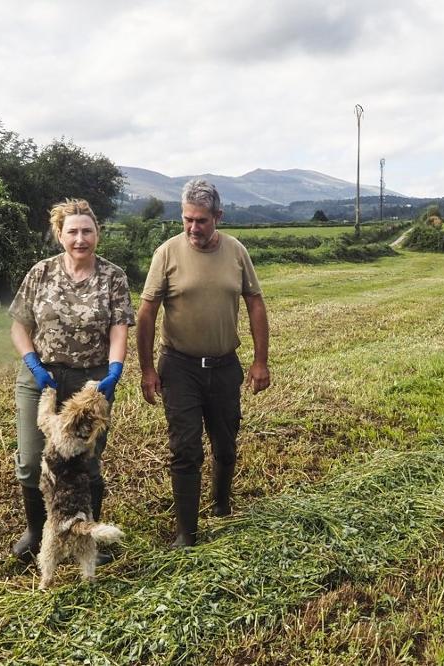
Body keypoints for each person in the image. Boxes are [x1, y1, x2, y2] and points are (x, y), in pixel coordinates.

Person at [137, 178, 270, 548]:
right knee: (185, 449)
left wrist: (261, 361)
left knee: (226, 445)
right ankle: (186, 533)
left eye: (201, 220)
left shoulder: (236, 252)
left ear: (218, 217)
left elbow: (255, 303)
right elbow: (146, 313)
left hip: (225, 366)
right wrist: (147, 369)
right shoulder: (167, 253)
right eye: (187, 220)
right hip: (179, 367)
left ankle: (222, 505)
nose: (193, 228)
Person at [8, 198, 135, 564]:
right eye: (73, 232)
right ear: (59, 235)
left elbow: (118, 328)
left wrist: (114, 370)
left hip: (89, 385)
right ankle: (36, 531)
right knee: (33, 460)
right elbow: (19, 325)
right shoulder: (41, 273)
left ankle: (85, 537)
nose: (81, 239)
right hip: (42, 378)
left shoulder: (113, 277)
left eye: (87, 231)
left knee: (84, 463)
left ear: (97, 233)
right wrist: (31, 361)